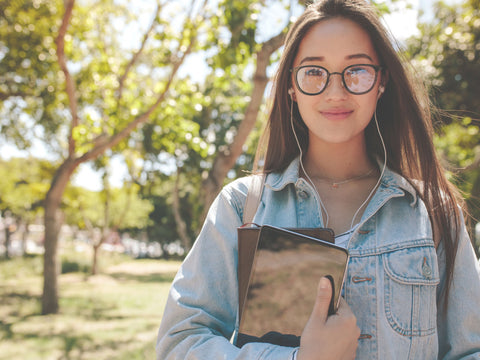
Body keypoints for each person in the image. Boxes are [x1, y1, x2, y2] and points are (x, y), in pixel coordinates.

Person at [156, 0, 480, 359]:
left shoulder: (433, 211)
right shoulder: (241, 206)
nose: (335, 92)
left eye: (356, 70)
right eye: (314, 71)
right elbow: (181, 341)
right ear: (291, 87)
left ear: (382, 81)